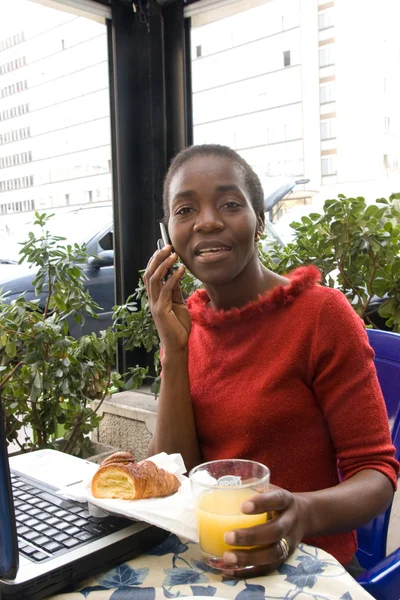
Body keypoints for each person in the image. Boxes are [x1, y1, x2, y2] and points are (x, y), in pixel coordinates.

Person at [144, 144, 399, 577]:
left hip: (310, 566)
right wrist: (176, 351)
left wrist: (301, 513)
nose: (206, 221)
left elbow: (376, 474)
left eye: (229, 203)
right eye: (185, 210)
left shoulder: (321, 316)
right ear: (169, 232)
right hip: (212, 559)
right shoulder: (187, 325)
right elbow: (175, 468)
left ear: (259, 221)